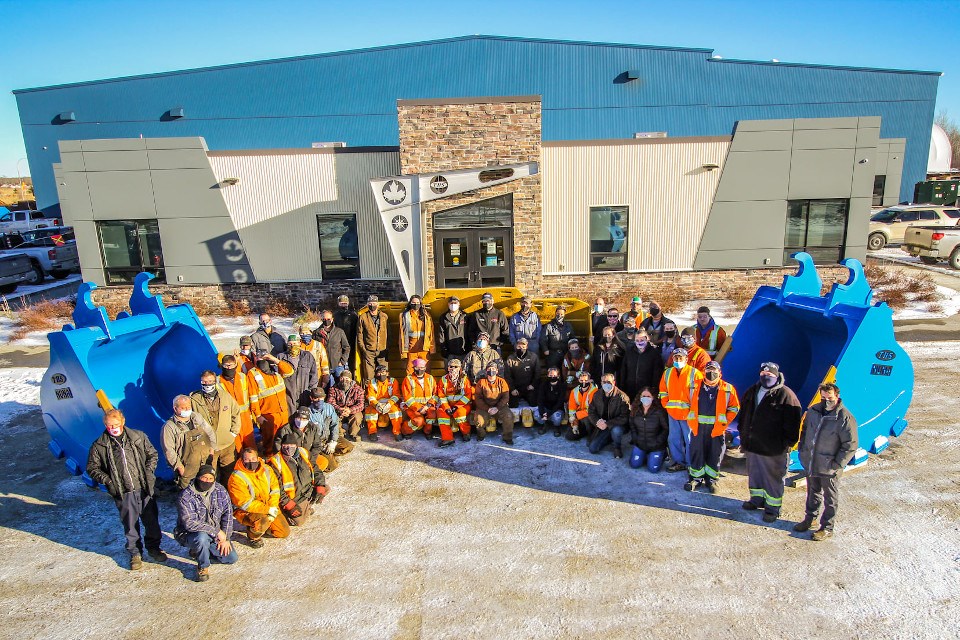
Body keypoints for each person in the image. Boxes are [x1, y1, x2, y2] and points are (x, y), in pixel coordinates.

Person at [86, 409, 166, 570]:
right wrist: (108, 481)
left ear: (122, 422)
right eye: (109, 425)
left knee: (151, 522)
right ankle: (135, 553)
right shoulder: (100, 445)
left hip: (144, 487)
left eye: (115, 424)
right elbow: (92, 468)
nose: (112, 428)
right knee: (130, 524)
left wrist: (148, 472)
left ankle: (154, 548)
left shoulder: (137, 437)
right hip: (123, 491)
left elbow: (152, 454)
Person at [737, 362, 803, 523]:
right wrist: (743, 433)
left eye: (770, 375)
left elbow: (793, 423)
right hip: (753, 444)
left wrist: (788, 443)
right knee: (755, 474)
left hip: (774, 448)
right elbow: (744, 413)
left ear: (777, 376)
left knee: (773, 478)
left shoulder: (786, 395)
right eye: (763, 374)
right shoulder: (753, 391)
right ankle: (756, 499)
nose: (766, 377)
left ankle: (773, 508)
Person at [795, 383, 859, 540]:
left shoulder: (844, 417)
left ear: (836, 396)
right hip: (812, 461)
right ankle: (810, 519)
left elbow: (850, 445)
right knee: (812, 492)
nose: (826, 401)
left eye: (829, 398)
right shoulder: (814, 411)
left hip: (830, 466)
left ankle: (827, 527)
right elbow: (804, 432)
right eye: (823, 397)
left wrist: (837, 465)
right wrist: (803, 450)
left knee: (830, 498)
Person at [174, 464, 237, 582]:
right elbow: (190, 523)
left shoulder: (220, 491)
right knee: (201, 537)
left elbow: (227, 514)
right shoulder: (185, 496)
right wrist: (217, 531)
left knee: (231, 558)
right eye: (204, 478)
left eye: (210, 479)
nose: (207, 481)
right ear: (198, 477)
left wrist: (226, 538)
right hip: (191, 534)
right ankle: (203, 566)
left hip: (215, 535)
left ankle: (201, 551)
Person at [685, 361, 740, 493]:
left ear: (720, 373)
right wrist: (690, 420)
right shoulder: (693, 386)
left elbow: (734, 407)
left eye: (714, 370)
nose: (711, 373)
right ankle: (695, 479)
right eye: (708, 369)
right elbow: (686, 403)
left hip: (717, 430)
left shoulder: (728, 388)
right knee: (697, 452)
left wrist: (724, 423)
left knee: (715, 454)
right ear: (704, 372)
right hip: (697, 428)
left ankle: (712, 480)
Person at [227, 447, 290, 548]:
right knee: (261, 522)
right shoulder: (236, 477)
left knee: (283, 532)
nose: (250, 462)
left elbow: (275, 490)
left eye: (253, 459)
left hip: (268, 505)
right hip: (247, 510)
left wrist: (273, 508)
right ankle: (253, 536)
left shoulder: (267, 469)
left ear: (258, 458)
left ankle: (263, 528)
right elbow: (244, 503)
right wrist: (267, 510)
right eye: (247, 459)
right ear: (242, 460)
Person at [189, 370, 242, 487]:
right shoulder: (194, 399)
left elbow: (236, 413)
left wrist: (233, 432)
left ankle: (228, 497)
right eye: (204, 382)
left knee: (229, 472)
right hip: (207, 446)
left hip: (227, 443)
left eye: (210, 381)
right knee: (208, 473)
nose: (207, 384)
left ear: (215, 382)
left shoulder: (225, 396)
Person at [658, 348, 703, 473]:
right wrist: (666, 404)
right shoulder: (667, 373)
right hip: (672, 413)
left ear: (686, 359)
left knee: (690, 440)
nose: (677, 360)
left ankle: (691, 464)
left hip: (689, 414)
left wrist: (693, 411)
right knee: (673, 439)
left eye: (680, 358)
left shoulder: (695, 374)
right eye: (675, 358)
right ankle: (679, 462)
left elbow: (699, 395)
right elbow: (662, 391)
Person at [268, 434, 328, 527]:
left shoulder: (303, 452)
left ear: (296, 446)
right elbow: (277, 489)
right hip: (294, 497)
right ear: (281, 446)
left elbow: (316, 469)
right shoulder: (275, 463)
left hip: (308, 490)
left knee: (326, 488)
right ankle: (287, 512)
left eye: (292, 446)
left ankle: (307, 507)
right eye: (285, 446)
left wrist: (320, 485)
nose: (288, 448)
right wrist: (288, 504)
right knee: (299, 522)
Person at [161, 395, 216, 489]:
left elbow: (210, 432)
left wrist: (212, 450)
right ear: (175, 408)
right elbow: (168, 450)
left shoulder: (197, 417)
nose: (187, 410)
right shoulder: (169, 427)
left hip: (206, 462)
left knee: (207, 490)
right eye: (183, 408)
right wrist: (180, 467)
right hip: (187, 468)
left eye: (188, 407)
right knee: (188, 494)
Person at [247, 351, 295, 456]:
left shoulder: (276, 369)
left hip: (283, 412)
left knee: (285, 439)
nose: (261, 359)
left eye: (264, 356)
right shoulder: (253, 373)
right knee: (270, 443)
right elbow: (253, 397)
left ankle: (284, 460)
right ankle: (270, 461)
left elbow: (290, 371)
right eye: (258, 357)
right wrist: (258, 415)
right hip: (268, 414)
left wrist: (275, 360)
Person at [300, 388, 354, 470]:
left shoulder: (329, 408)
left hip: (328, 437)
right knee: (331, 467)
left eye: (321, 398)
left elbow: (335, 424)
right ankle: (324, 455)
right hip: (318, 443)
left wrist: (333, 441)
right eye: (316, 398)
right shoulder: (309, 414)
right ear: (311, 398)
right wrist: (322, 447)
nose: (319, 400)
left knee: (348, 447)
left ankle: (330, 453)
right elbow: (309, 438)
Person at [587, 373, 631, 457]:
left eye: (609, 382)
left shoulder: (622, 397)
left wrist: (608, 423)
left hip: (616, 425)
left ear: (614, 382)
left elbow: (625, 417)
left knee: (616, 431)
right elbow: (591, 411)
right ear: (601, 383)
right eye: (604, 382)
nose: (606, 384)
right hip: (603, 425)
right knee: (592, 448)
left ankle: (617, 447)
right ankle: (609, 438)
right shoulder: (597, 394)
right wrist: (597, 422)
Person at [218, 355, 255, 452]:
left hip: (246, 417)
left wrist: (255, 414)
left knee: (250, 444)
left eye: (231, 365)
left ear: (236, 365)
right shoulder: (217, 382)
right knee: (237, 446)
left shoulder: (242, 377)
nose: (229, 368)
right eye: (226, 365)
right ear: (222, 366)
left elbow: (251, 395)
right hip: (230, 419)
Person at [627, 388, 669, 472]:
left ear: (653, 397)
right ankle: (645, 455)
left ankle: (663, 454)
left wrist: (658, 441)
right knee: (634, 464)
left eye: (648, 396)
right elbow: (632, 425)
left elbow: (666, 429)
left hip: (656, 446)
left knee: (653, 469)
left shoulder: (659, 411)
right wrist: (635, 438)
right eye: (643, 396)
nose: (646, 398)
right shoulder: (635, 409)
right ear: (640, 397)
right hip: (640, 444)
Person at [473, 362, 515, 444]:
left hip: (499, 406)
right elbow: (478, 398)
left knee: (509, 416)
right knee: (478, 420)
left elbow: (505, 397)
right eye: (489, 369)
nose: (491, 371)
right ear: (486, 371)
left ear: (497, 371)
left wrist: (497, 407)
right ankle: (481, 435)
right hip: (484, 407)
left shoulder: (502, 382)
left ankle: (507, 437)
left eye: (493, 369)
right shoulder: (481, 382)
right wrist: (487, 408)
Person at [437, 359, 473, 447]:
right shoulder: (443, 380)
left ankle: (466, 432)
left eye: (456, 367)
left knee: (460, 413)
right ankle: (447, 438)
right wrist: (446, 407)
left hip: (462, 405)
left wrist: (457, 406)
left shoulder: (464, 379)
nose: (453, 369)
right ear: (448, 368)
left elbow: (467, 396)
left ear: (460, 368)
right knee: (441, 413)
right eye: (451, 367)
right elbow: (441, 395)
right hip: (448, 405)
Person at [619, 328, 663, 401]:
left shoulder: (654, 353)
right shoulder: (629, 352)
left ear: (647, 339)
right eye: (637, 340)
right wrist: (622, 387)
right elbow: (624, 370)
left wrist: (654, 390)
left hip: (646, 391)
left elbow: (657, 374)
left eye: (642, 340)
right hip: (630, 389)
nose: (639, 342)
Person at [279, 334, 319, 414]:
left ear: (299, 343)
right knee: (290, 419)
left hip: (304, 394)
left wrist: (311, 391)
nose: (292, 346)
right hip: (288, 395)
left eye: (295, 343)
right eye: (290, 344)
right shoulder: (281, 357)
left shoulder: (307, 356)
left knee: (303, 419)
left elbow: (314, 375)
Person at [364, 364, 405, 441]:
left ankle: (397, 432)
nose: (381, 374)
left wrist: (389, 404)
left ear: (387, 373)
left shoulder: (393, 381)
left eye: (383, 372)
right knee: (369, 412)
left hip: (390, 403)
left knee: (396, 412)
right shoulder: (372, 382)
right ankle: (372, 432)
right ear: (376, 374)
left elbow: (396, 395)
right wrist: (377, 405)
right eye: (379, 373)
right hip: (377, 403)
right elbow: (370, 396)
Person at [504, 337, 540, 426]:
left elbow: (537, 373)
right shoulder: (510, 358)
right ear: (516, 346)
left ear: (527, 346)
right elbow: (507, 376)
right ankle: (515, 419)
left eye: (523, 345)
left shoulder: (533, 357)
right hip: (516, 389)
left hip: (529, 387)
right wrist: (512, 389)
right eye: (519, 345)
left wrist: (533, 385)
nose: (521, 347)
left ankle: (532, 418)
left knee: (533, 402)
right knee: (513, 404)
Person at [401, 358, 439, 438]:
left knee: (432, 414)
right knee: (418, 421)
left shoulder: (430, 378)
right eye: (417, 368)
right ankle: (406, 431)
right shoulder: (408, 379)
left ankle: (427, 431)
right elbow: (407, 397)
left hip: (427, 406)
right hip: (413, 407)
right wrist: (419, 408)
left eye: (422, 368)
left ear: (425, 368)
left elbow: (435, 394)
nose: (419, 369)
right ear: (414, 368)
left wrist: (428, 406)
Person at [399, 294, 435, 374]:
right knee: (410, 370)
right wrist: (404, 352)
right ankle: (410, 386)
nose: (416, 305)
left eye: (418, 302)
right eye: (413, 303)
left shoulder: (426, 315)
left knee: (426, 370)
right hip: (411, 348)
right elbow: (402, 335)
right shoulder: (405, 316)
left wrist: (432, 348)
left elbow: (431, 333)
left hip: (424, 347)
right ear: (410, 303)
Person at [357, 294, 389, 383]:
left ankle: (384, 393)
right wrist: (364, 349)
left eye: (374, 303)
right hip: (369, 350)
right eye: (370, 303)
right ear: (367, 305)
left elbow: (388, 333)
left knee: (383, 374)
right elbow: (360, 334)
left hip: (382, 350)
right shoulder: (363, 317)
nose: (372, 305)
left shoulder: (384, 317)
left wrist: (387, 348)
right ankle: (370, 393)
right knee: (369, 375)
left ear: (378, 304)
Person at [314, 310, 351, 384]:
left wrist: (342, 361)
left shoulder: (339, 332)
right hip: (323, 366)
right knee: (325, 385)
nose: (326, 321)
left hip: (337, 365)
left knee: (340, 385)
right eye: (324, 319)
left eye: (328, 319)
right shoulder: (316, 333)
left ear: (332, 319)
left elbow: (346, 347)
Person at [328, 369, 365, 441]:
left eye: (347, 378)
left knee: (357, 416)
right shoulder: (333, 389)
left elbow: (361, 404)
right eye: (342, 378)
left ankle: (354, 434)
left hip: (352, 411)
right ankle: (340, 433)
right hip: (339, 411)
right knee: (332, 416)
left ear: (351, 379)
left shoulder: (358, 389)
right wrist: (339, 409)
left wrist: (350, 410)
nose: (344, 380)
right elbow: (330, 402)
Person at [540, 305, 576, 370]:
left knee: (566, 372)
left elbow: (572, 338)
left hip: (565, 353)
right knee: (552, 372)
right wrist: (545, 349)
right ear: (555, 313)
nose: (559, 315)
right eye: (558, 313)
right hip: (552, 354)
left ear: (564, 315)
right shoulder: (549, 326)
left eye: (562, 314)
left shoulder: (568, 326)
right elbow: (543, 339)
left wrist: (573, 348)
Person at [437, 295, 469, 364]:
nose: (453, 305)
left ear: (459, 304)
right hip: (450, 353)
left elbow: (469, 332)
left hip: (464, 352)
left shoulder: (465, 316)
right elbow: (441, 335)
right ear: (448, 304)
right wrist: (444, 350)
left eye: (455, 303)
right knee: (450, 372)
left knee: (463, 373)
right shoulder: (443, 317)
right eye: (451, 303)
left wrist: (469, 348)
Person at [566, 370, 597, 441]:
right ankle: (582, 431)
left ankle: (591, 434)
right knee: (569, 436)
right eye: (581, 380)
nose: (583, 382)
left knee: (586, 419)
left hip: (591, 417)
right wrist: (575, 425)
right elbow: (572, 410)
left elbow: (592, 410)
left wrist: (576, 415)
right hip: (579, 418)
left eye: (586, 380)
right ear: (578, 380)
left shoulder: (594, 391)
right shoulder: (574, 391)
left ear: (589, 380)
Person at [298, 324, 331, 388]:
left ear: (311, 332)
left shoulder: (318, 345)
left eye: (307, 333)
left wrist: (325, 376)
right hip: (301, 376)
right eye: (302, 333)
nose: (305, 335)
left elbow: (324, 362)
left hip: (317, 376)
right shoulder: (297, 345)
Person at [536, 366, 567, 437]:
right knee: (537, 415)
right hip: (546, 407)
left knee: (557, 417)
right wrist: (542, 412)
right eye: (550, 375)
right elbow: (540, 400)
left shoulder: (562, 386)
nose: (552, 377)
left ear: (558, 376)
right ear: (547, 375)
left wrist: (549, 414)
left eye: (554, 375)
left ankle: (556, 427)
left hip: (557, 409)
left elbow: (560, 402)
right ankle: (544, 424)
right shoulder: (543, 385)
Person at [333, 295, 359, 373]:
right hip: (338, 344)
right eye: (342, 303)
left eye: (345, 303)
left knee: (352, 365)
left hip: (351, 342)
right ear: (338, 304)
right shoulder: (335, 316)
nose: (343, 305)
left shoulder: (353, 315)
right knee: (339, 365)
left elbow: (357, 329)